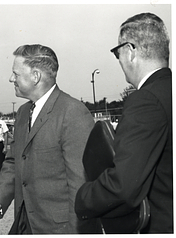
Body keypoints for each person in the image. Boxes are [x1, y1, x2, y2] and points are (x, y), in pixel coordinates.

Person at [75, 13, 172, 233]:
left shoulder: (145, 100)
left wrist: (83, 198)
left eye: (117, 52)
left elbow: (125, 186)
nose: (119, 60)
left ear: (130, 51)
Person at [0, 44, 97, 234]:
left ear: (36, 76)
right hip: (25, 223)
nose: (11, 78)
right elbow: (14, 162)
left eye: (16, 73)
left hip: (58, 228)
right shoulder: (23, 113)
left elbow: (81, 184)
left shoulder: (72, 113)